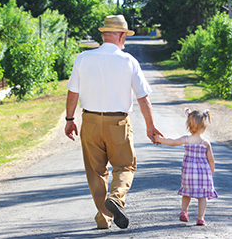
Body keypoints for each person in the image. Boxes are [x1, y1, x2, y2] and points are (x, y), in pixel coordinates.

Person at [64, 15, 162, 229]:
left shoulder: (83, 58)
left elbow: (73, 93)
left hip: (89, 121)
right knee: (125, 165)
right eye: (125, 35)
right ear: (120, 35)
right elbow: (143, 98)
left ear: (103, 34)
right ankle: (116, 198)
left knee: (95, 171)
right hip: (118, 123)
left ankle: (104, 218)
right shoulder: (128, 61)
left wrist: (70, 119)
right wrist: (150, 125)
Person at [153, 108, 218, 226]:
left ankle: (184, 211)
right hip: (203, 174)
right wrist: (211, 170)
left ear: (188, 125)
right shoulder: (205, 143)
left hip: (188, 173)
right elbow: (211, 159)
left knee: (186, 193)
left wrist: (159, 139)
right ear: (204, 126)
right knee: (202, 196)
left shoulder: (186, 139)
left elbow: (172, 142)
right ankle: (200, 218)